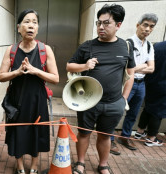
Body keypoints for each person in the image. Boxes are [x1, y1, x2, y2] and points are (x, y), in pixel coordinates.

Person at [66, 4, 135, 174]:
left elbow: (130, 74)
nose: (101, 27)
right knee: (84, 133)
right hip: (88, 101)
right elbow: (69, 66)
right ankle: (80, 163)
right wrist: (84, 64)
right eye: (98, 23)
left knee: (105, 135)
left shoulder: (125, 47)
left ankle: (103, 164)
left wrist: (124, 98)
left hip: (114, 103)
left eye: (106, 23)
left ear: (118, 25)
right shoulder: (88, 46)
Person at [0, 9, 59, 174]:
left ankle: (33, 166)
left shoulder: (45, 50)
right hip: (16, 100)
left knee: (36, 131)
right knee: (17, 132)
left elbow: (55, 78)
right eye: (26, 21)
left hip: (37, 100)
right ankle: (19, 166)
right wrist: (17, 72)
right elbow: (1, 76)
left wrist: (34, 70)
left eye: (34, 22)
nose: (30, 25)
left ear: (38, 28)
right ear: (19, 27)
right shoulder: (11, 50)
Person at [116, 13, 158, 152]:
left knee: (133, 113)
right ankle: (109, 139)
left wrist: (138, 68)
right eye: (145, 25)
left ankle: (125, 136)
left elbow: (152, 68)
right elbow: (128, 69)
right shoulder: (128, 43)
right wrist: (141, 66)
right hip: (128, 82)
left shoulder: (149, 46)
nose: (148, 29)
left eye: (151, 27)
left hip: (141, 84)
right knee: (117, 110)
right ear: (138, 25)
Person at [135, 37, 166, 147]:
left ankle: (139, 132)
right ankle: (151, 138)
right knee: (158, 112)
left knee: (148, 107)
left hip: (150, 82)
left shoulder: (158, 45)